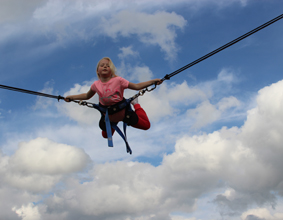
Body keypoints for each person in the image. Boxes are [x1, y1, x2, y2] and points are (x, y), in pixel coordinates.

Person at [65, 57, 162, 138]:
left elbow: (136, 86)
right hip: (108, 115)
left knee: (146, 125)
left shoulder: (118, 80)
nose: (105, 67)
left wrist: (152, 81)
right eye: (102, 65)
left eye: (108, 65)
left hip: (124, 112)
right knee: (106, 136)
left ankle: (136, 104)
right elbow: (86, 96)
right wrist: (71, 97)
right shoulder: (95, 84)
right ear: (98, 71)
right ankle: (114, 123)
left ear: (111, 70)